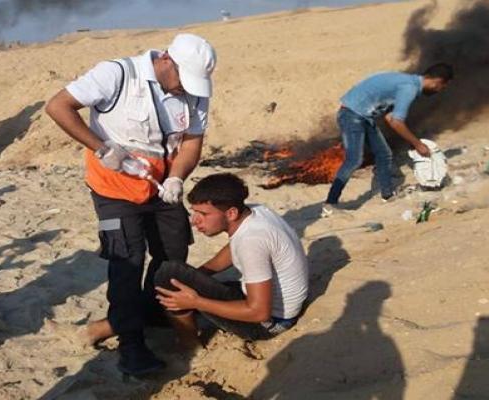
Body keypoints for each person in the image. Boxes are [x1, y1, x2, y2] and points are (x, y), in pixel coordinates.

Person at [45, 33, 216, 376]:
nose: (187, 88)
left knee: (173, 253)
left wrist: (177, 178)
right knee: (127, 262)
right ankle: (131, 346)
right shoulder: (117, 74)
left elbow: (191, 144)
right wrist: (102, 148)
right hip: (111, 191)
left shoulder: (195, 94)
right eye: (183, 79)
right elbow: (57, 106)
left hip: (160, 189)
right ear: (166, 60)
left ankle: (148, 313)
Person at [154, 173, 309, 346]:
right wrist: (200, 275)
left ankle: (189, 343)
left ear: (231, 213)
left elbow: (259, 313)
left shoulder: (251, 241)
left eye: (204, 214)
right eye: (194, 212)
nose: (194, 221)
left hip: (268, 323)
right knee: (180, 279)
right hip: (279, 306)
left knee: (169, 275)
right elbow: (232, 248)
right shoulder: (257, 212)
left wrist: (196, 301)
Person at [322, 63, 454, 216]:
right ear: (437, 81)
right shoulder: (409, 88)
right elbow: (396, 121)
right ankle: (330, 203)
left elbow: (390, 116)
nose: (439, 91)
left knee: (384, 154)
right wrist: (417, 144)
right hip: (352, 115)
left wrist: (410, 140)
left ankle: (387, 195)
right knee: (354, 160)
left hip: (364, 116)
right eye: (441, 87)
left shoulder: (408, 82)